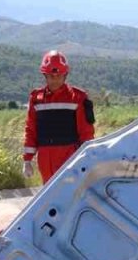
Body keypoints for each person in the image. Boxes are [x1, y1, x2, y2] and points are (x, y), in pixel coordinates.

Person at [22, 50, 95, 183]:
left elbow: (86, 132)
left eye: (59, 76)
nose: (55, 79)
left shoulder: (77, 97)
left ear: (65, 75)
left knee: (70, 193)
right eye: (51, 76)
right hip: (45, 159)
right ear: (45, 75)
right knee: (49, 193)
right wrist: (27, 160)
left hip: (70, 158)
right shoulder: (36, 99)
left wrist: (87, 157)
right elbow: (31, 129)